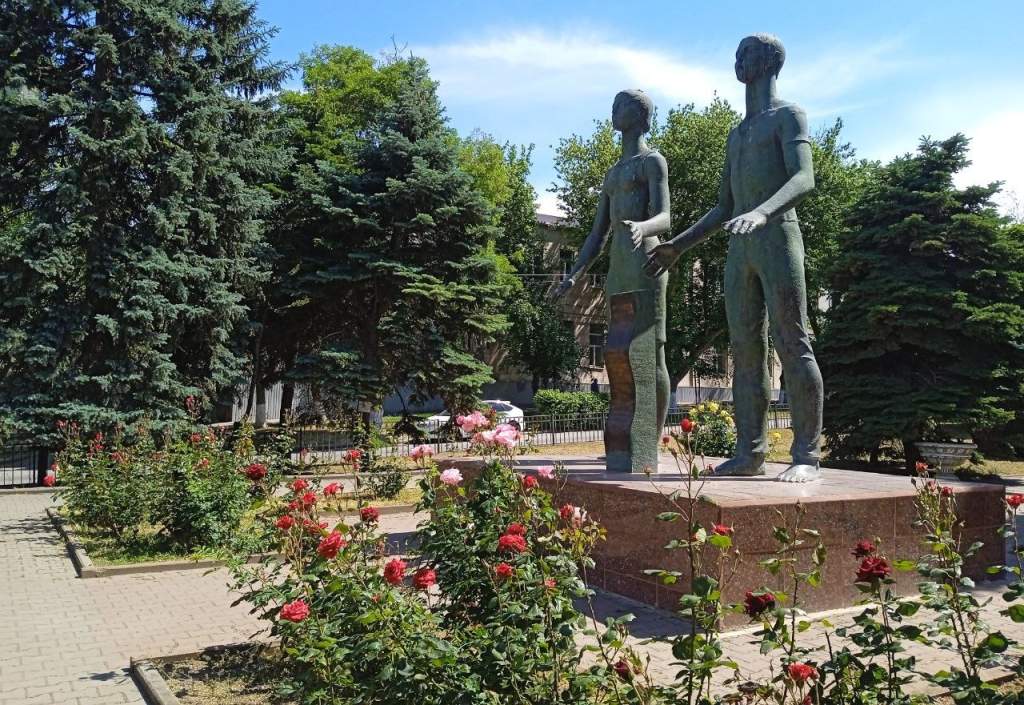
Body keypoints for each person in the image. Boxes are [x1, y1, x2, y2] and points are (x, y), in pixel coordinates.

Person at [645, 34, 823, 483]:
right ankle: (750, 453)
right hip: (740, 248)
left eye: (748, 53)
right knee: (745, 352)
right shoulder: (737, 134)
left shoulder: (788, 116)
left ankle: (806, 455)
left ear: (770, 62)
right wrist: (677, 246)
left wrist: (762, 212)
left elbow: (804, 178)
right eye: (738, 53)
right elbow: (724, 206)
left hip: (778, 237)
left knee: (793, 341)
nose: (739, 59)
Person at [553, 90, 671, 472]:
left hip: (648, 263)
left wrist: (643, 227)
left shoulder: (652, 162)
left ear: (639, 115)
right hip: (619, 267)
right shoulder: (613, 173)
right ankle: (627, 443)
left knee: (651, 355)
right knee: (620, 352)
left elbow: (665, 217)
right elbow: (596, 234)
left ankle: (649, 441)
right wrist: (574, 274)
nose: (614, 111)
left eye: (621, 106)